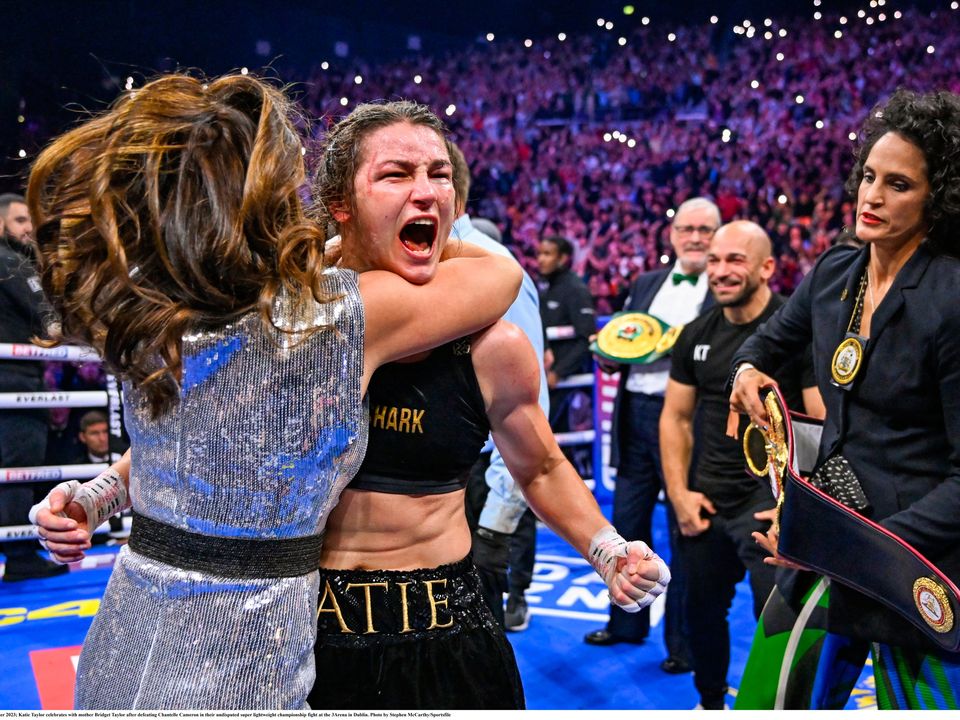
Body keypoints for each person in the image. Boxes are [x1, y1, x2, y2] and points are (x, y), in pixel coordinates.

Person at [28, 74, 522, 710]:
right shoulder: (339, 315)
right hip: (252, 641)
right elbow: (500, 272)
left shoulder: (149, 312)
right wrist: (338, 245)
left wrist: (95, 496)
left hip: (131, 620)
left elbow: (191, 450)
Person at [306, 102, 670, 710]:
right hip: (301, 624)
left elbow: (542, 466)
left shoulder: (492, 344)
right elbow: (216, 432)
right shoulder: (294, 323)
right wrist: (107, 491)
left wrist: (606, 550)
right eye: (397, 175)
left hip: (445, 624)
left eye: (439, 174)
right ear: (343, 202)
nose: (425, 192)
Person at [730, 88, 960, 710]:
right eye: (867, 176)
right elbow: (767, 341)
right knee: (766, 703)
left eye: (898, 185)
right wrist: (748, 370)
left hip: (920, 559)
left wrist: (851, 544)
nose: (872, 196)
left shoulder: (952, 297)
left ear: (938, 197)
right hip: (829, 541)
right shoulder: (835, 271)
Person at [660, 221, 822, 710]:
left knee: (778, 621)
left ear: (767, 267)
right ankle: (711, 704)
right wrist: (679, 494)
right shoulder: (696, 334)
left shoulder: (793, 332)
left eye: (734, 261)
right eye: (713, 261)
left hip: (769, 503)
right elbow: (676, 418)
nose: (721, 272)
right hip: (706, 498)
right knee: (699, 615)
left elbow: (819, 422)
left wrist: (797, 504)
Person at [585, 197, 719, 676]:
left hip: (688, 419)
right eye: (688, 228)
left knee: (686, 528)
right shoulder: (645, 284)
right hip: (636, 412)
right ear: (673, 234)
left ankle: (683, 642)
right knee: (626, 523)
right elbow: (623, 343)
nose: (696, 237)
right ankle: (624, 624)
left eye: (706, 229)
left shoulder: (723, 288)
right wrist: (605, 354)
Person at [445, 141, 550, 630]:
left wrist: (497, 521)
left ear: (454, 195)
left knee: (473, 645)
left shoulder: (494, 269)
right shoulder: (410, 264)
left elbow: (528, 407)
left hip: (478, 478)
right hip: (428, 485)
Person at [0, 193, 66, 582]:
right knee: (18, 469)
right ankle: (22, 556)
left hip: (12, 379)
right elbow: (47, 316)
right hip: (15, 383)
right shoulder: (9, 261)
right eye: (21, 220)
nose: (29, 229)